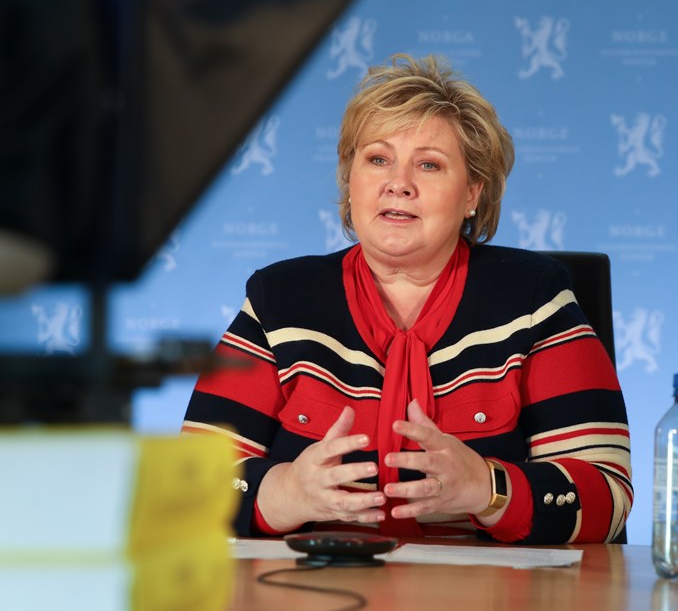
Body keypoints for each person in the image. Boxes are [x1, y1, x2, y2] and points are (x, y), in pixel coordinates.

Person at [183, 54, 632, 544]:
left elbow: (609, 499)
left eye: (429, 165)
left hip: (484, 607)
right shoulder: (278, 301)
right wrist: (286, 492)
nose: (399, 183)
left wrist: (489, 488)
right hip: (313, 598)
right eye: (377, 159)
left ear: (472, 195)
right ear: (349, 180)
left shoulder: (534, 298)